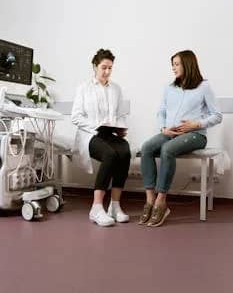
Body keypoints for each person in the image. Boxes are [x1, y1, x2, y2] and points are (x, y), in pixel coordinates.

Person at [139, 50, 222, 227]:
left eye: (177, 64)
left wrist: (196, 124)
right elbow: (161, 112)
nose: (173, 68)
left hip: (195, 135)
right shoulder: (169, 88)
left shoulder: (203, 87)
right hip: (171, 132)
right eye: (173, 65)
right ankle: (150, 200)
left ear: (188, 64)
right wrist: (163, 128)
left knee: (167, 150)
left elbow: (217, 116)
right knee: (146, 148)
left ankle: (162, 201)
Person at [71, 49, 131, 227]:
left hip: (108, 133)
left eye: (110, 68)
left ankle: (115, 205)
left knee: (125, 150)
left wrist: (120, 128)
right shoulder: (83, 88)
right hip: (89, 135)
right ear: (95, 67)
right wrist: (95, 126)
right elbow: (76, 117)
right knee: (110, 155)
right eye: (103, 67)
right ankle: (96, 208)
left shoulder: (116, 89)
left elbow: (120, 115)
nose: (107, 72)